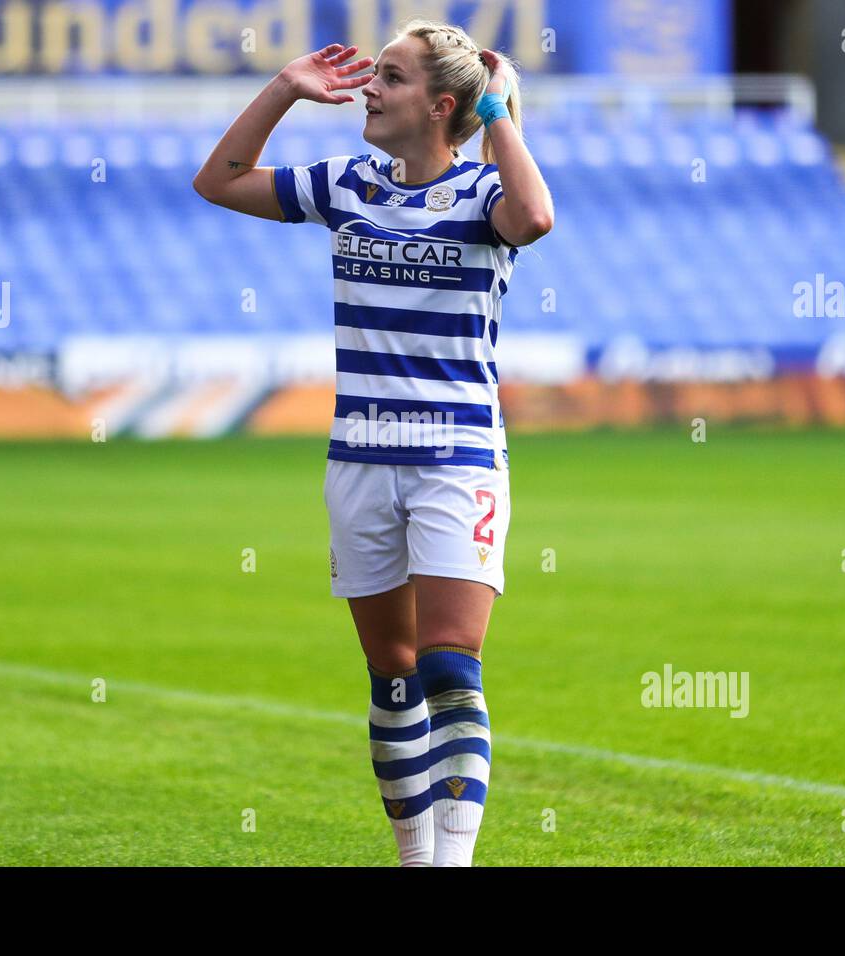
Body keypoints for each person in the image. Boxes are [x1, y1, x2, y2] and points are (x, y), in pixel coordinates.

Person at [193, 18, 553, 866]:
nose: (368, 87)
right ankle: (414, 857)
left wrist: (499, 107)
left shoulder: (484, 197)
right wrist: (284, 88)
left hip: (457, 459)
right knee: (390, 673)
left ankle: (452, 862)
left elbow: (534, 216)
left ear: (441, 105)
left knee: (449, 665)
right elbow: (219, 180)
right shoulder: (348, 182)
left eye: (389, 77)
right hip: (358, 458)